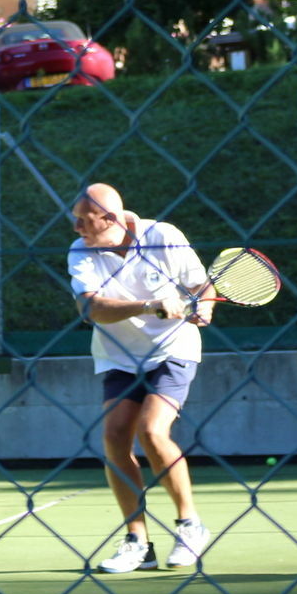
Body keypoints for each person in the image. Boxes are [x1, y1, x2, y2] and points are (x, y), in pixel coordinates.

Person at [66, 181, 215, 572]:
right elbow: (92, 309)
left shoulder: (163, 236)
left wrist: (206, 306)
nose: (77, 228)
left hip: (173, 350)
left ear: (110, 217)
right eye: (75, 219)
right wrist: (150, 305)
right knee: (115, 436)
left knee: (152, 431)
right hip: (119, 357)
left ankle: (190, 525)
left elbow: (202, 285)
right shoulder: (81, 251)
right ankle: (138, 542)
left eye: (84, 220)